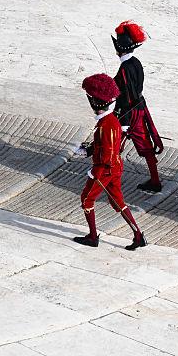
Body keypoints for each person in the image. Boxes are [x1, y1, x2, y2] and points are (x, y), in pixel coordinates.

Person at [73, 73, 146, 250]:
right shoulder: (110, 120)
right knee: (118, 202)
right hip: (115, 168)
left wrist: (95, 172)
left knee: (86, 200)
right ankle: (138, 235)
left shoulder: (106, 124)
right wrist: (89, 150)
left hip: (105, 169)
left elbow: (108, 153)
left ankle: (93, 237)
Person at [112, 21, 164, 193]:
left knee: (113, 144)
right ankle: (155, 180)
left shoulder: (125, 68)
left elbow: (126, 94)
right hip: (139, 107)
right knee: (146, 145)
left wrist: (124, 120)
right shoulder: (136, 62)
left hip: (128, 112)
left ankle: (109, 178)